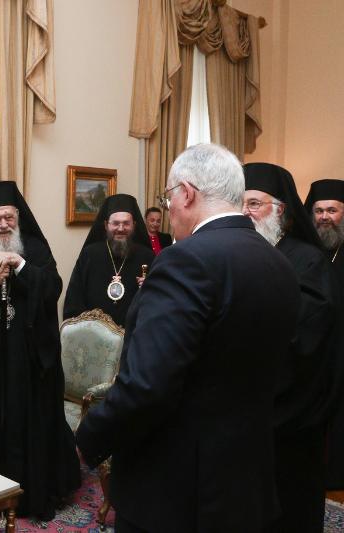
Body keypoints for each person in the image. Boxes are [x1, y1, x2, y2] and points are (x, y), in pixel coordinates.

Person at [75, 144, 301, 533]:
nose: (169, 210)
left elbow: (147, 385)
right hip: (246, 480)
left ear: (187, 193)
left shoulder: (185, 260)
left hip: (177, 490)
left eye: (169, 198)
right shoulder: (278, 261)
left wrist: (87, 440)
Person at [0, 180, 81, 520]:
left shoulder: (34, 247)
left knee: (36, 427)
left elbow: (53, 287)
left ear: (18, 216)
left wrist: (21, 267)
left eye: (9, 217)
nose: (4, 225)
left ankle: (37, 495)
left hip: (33, 359)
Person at [243, 162, 339, 532]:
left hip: (293, 414)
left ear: (280, 210)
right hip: (247, 410)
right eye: (240, 204)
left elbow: (306, 337)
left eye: (254, 203)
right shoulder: (241, 254)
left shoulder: (307, 259)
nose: (245, 212)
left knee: (289, 508)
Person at [304, 178, 344, 490]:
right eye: (318, 211)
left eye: (332, 210)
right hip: (313, 350)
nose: (324, 217)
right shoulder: (304, 252)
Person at [63, 194, 154, 325]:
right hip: (93, 332)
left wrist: (151, 287)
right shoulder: (89, 254)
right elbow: (74, 299)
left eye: (126, 223)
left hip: (135, 333)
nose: (121, 229)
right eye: (115, 223)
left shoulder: (147, 256)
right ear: (106, 225)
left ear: (134, 225)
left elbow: (157, 302)